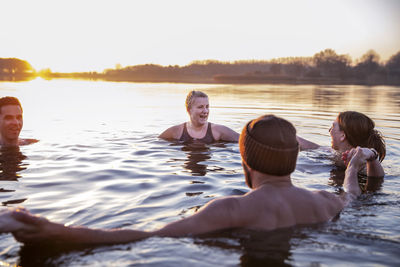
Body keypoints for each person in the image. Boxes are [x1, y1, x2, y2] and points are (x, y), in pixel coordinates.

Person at [8, 115, 364, 246]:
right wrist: (353, 165)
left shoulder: (230, 209)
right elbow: (351, 193)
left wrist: (56, 231)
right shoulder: (324, 201)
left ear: (245, 160)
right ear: (295, 158)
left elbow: (147, 236)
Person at [296, 111, 385, 177]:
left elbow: (378, 177)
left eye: (333, 126)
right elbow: (315, 147)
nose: (329, 130)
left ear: (342, 135)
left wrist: (372, 157)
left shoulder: (363, 163)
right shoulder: (337, 153)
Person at [159, 90, 239, 143]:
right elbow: (158, 143)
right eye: (200, 107)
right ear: (189, 110)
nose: (205, 111)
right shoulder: (176, 131)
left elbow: (246, 141)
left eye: (207, 107)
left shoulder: (218, 130)